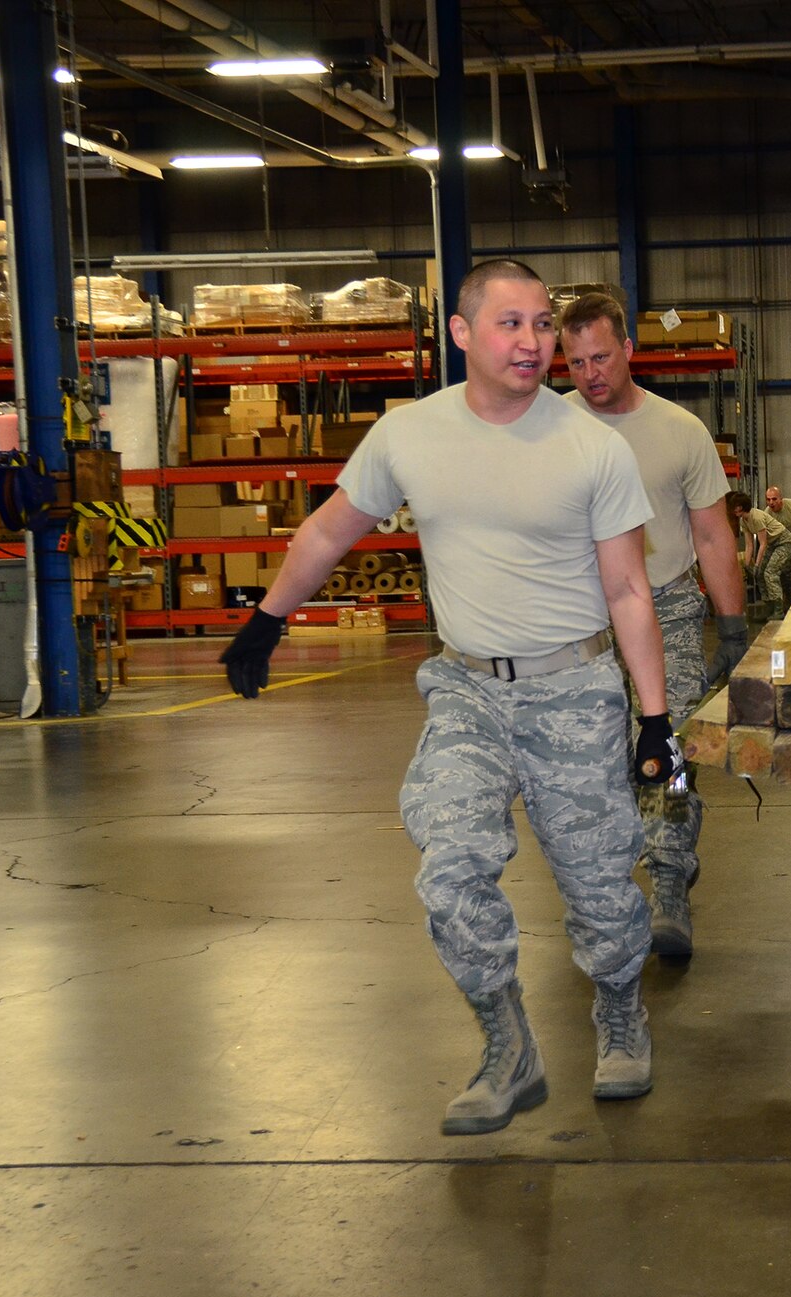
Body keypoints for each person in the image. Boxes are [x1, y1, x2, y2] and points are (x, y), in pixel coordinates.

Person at [217, 259, 683, 1136]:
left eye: (541, 324)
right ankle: (507, 1046)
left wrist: (653, 719)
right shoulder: (408, 434)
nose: (532, 342)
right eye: (511, 323)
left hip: (575, 689)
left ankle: (621, 1012)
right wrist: (268, 618)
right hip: (467, 688)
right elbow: (328, 528)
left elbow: (628, 591)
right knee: (451, 866)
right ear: (463, 332)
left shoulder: (593, 447)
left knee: (600, 886)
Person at [561, 291, 747, 961]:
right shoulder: (549, 429)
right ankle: (602, 894)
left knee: (670, 749)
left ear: (629, 349)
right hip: (578, 619)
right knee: (588, 762)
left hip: (666, 607)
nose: (591, 373)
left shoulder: (680, 431)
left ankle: (669, 876)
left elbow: (713, 535)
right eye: (576, 362)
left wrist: (732, 626)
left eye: (602, 357)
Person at [729, 490, 791, 618]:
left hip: (784, 541)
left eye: (735, 507)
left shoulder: (756, 517)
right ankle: (769, 607)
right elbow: (749, 545)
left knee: (770, 573)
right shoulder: (743, 521)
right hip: (772, 544)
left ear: (742, 506)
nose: (733, 510)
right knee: (760, 575)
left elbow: (763, 543)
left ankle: (779, 610)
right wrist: (747, 565)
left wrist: (756, 565)